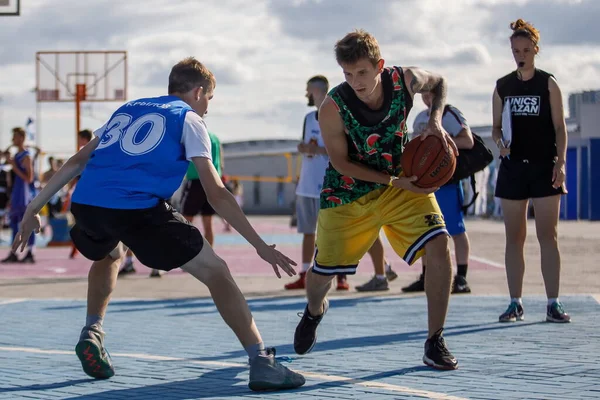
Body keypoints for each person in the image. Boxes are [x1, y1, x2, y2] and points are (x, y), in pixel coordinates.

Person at [12, 57, 305, 391]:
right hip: (138, 209)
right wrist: (260, 246)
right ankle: (261, 360)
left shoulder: (128, 109)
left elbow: (79, 159)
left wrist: (33, 207)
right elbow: (218, 194)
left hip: (89, 205)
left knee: (109, 253)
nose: (207, 107)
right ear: (197, 92)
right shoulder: (190, 119)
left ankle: (92, 329)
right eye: (209, 98)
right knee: (217, 272)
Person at [293, 30, 459, 370]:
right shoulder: (332, 107)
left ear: (379, 66)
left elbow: (439, 81)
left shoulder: (405, 80)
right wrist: (393, 179)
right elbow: (341, 163)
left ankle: (435, 339)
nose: (355, 81)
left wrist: (437, 121)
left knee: (441, 245)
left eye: (363, 72)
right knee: (320, 277)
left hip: (403, 185)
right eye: (348, 74)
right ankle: (313, 312)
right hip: (348, 194)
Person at [284, 75, 397, 292]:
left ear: (317, 91)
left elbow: (347, 151)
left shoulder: (339, 114)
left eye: (309, 90)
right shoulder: (309, 118)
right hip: (308, 184)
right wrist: (305, 149)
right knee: (309, 231)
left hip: (336, 184)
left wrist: (317, 151)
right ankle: (306, 274)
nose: (306, 94)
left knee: (348, 231)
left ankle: (348, 275)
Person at [492, 19, 570, 323]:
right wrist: (500, 143)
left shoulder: (548, 84)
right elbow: (496, 127)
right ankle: (515, 302)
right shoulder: (502, 86)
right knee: (515, 237)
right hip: (513, 169)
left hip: (543, 167)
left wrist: (560, 162)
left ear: (535, 50)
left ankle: (554, 302)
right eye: (515, 51)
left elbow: (560, 128)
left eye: (525, 50)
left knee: (548, 235)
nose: (520, 55)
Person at [402, 94, 474, 294]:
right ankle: (426, 276)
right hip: (424, 183)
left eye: (431, 92)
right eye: (423, 93)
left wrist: (438, 139)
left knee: (456, 230)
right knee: (427, 230)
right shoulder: (419, 117)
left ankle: (461, 277)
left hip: (447, 181)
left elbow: (468, 141)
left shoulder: (450, 114)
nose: (426, 97)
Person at [179, 130, 224, 246]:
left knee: (186, 221)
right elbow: (221, 162)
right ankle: (210, 257)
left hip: (197, 179)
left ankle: (186, 255)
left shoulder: (193, 135)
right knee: (208, 223)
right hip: (213, 181)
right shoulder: (214, 137)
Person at [1, 127, 35, 263]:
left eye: (15, 137)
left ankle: (30, 252)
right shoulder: (16, 156)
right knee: (14, 222)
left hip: (25, 193)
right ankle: (14, 251)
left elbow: (29, 178)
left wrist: (14, 167)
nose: (12, 140)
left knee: (26, 222)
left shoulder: (26, 156)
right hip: (17, 192)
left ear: (21, 138)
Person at [69, 129, 94, 259]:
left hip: (87, 193)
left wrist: (70, 187)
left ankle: (79, 247)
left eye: (79, 138)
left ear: (84, 139)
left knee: (80, 221)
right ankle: (76, 248)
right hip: (87, 192)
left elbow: (75, 171)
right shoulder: (94, 151)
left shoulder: (87, 153)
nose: (78, 141)